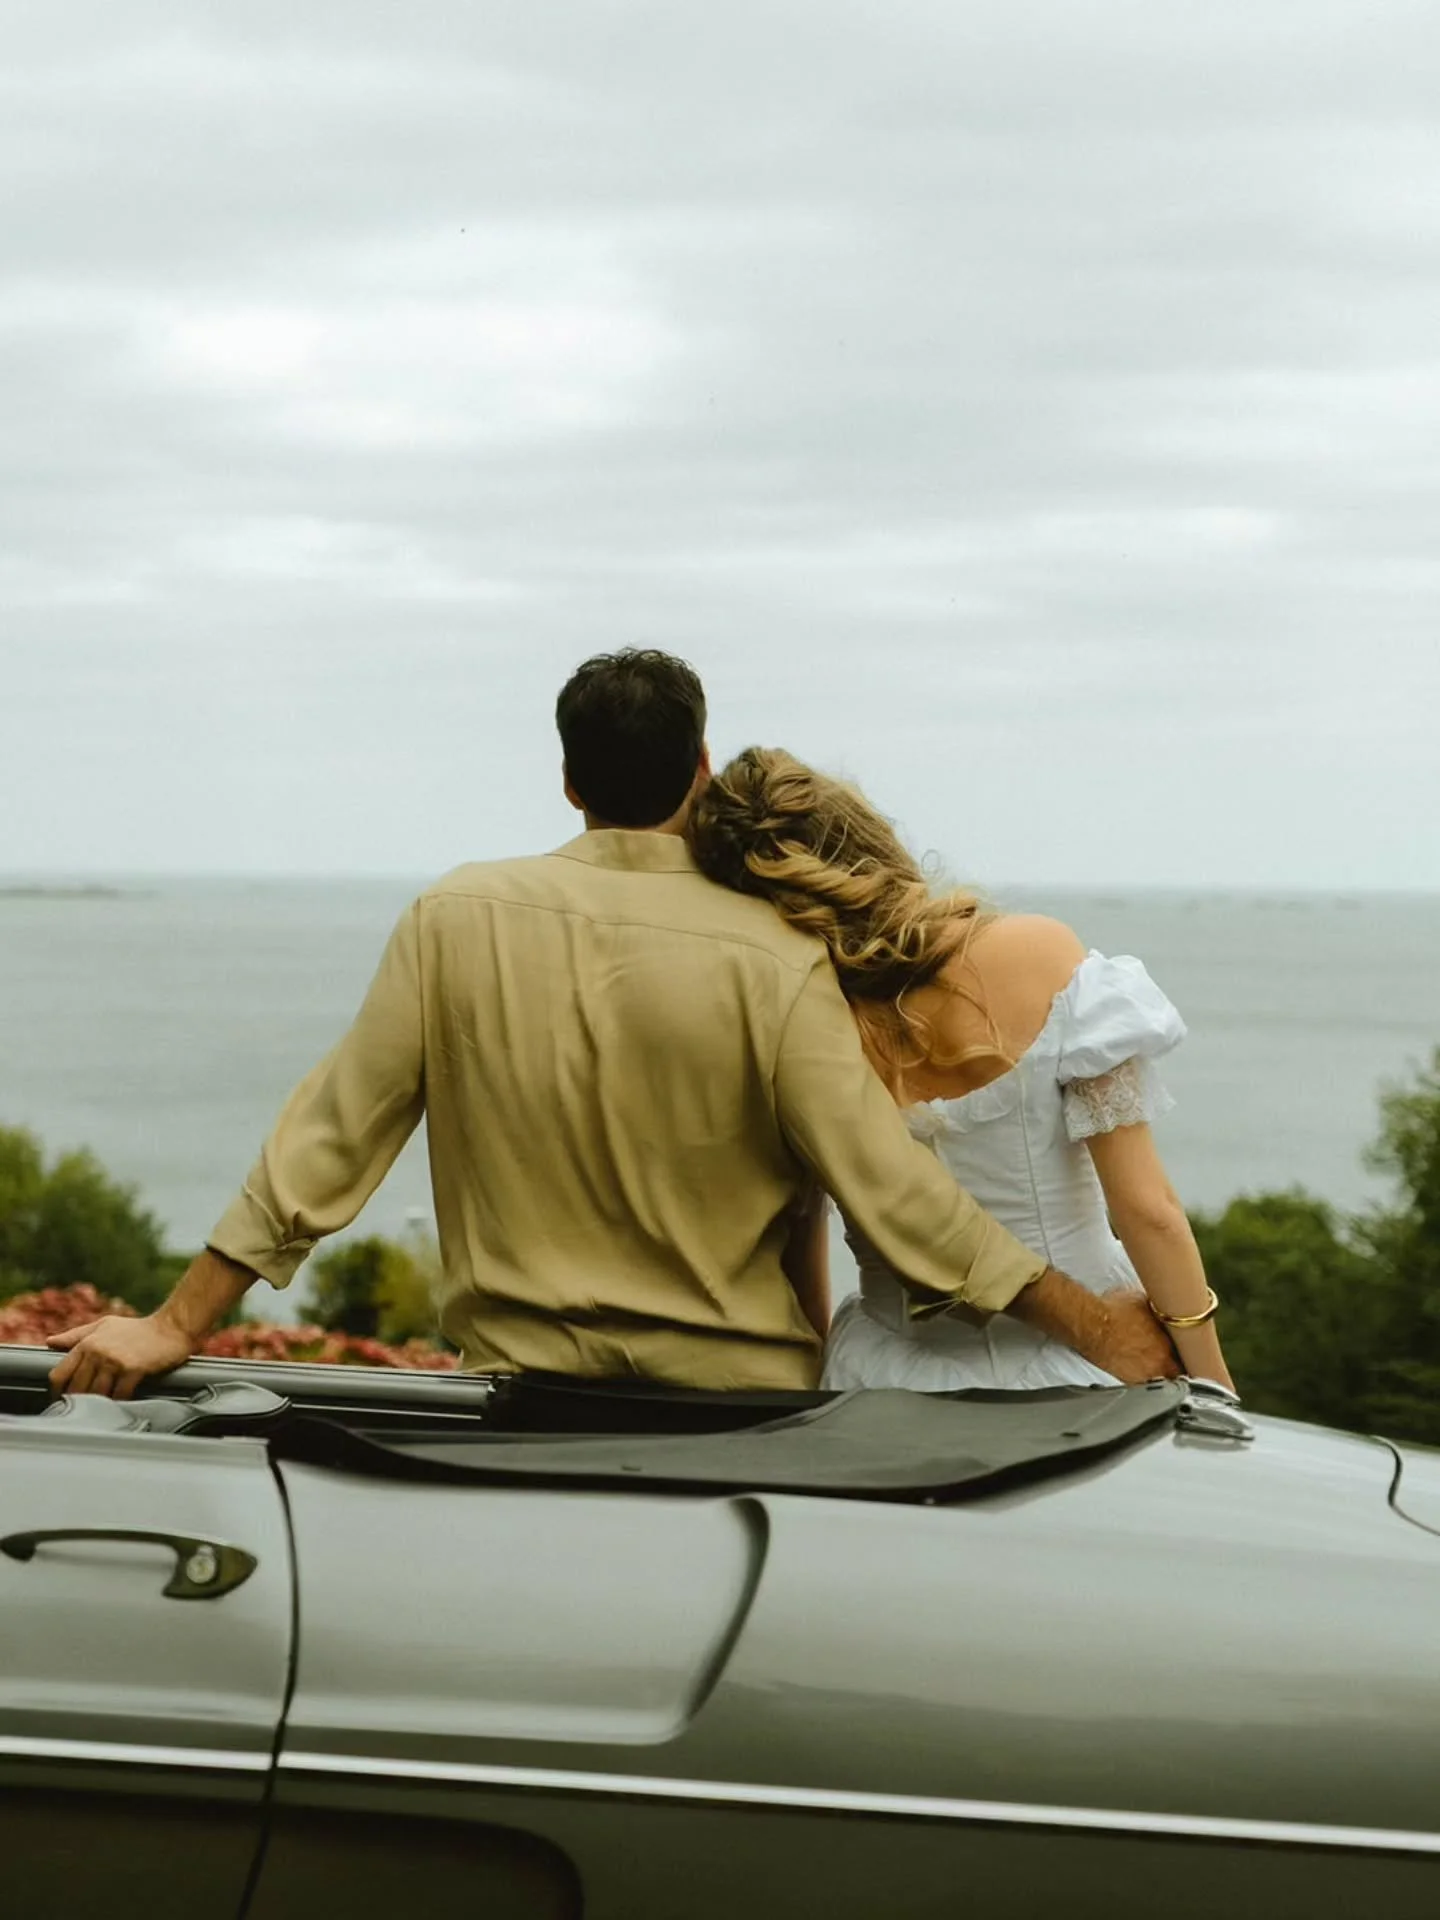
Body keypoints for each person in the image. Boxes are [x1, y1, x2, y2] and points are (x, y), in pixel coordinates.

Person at [49, 653, 1176, 1400]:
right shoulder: (777, 956)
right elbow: (896, 1193)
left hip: (517, 1407)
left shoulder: (451, 919)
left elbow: (329, 1142)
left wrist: (174, 1322)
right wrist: (1094, 1327)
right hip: (741, 1428)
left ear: (568, 781)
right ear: (696, 769)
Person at [689, 746, 1233, 1394]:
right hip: (1087, 1366)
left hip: (881, 1380)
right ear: (870, 843)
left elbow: (800, 1235)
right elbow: (1149, 1212)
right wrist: (1216, 1390)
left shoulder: (792, 1027)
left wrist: (814, 1391)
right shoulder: (1039, 955)